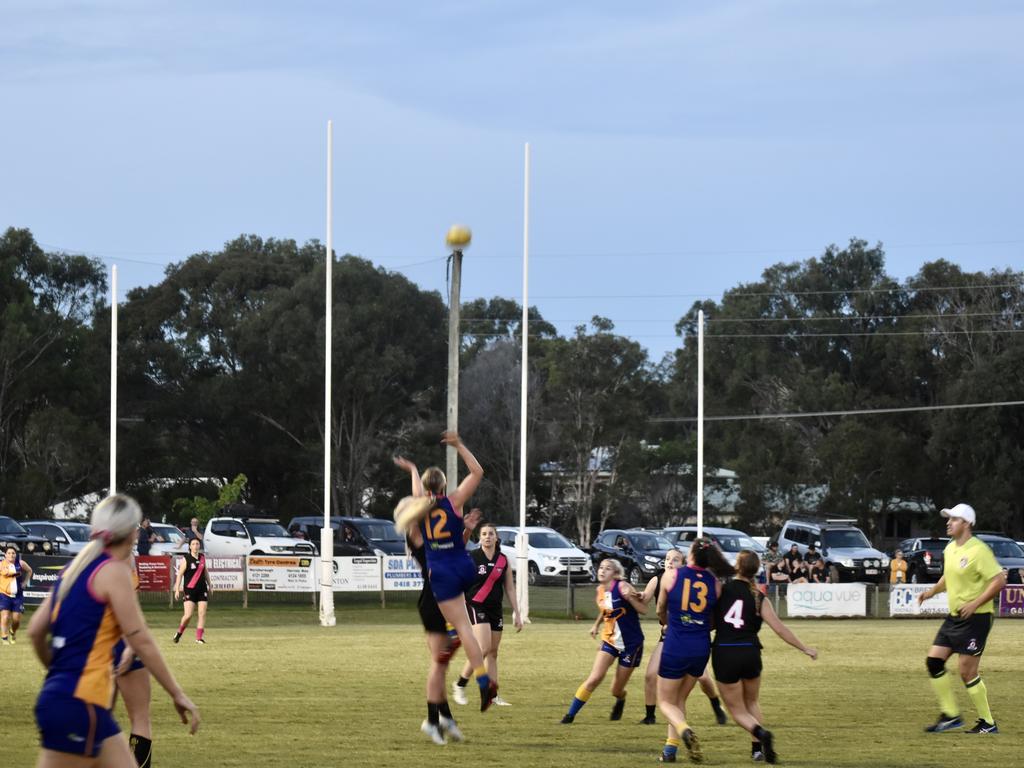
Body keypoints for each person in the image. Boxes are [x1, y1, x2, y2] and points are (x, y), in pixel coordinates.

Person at [27, 494, 199, 765]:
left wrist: (58, 673)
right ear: (133, 532)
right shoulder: (114, 571)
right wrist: (176, 693)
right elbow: (140, 638)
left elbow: (35, 632)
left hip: (65, 700)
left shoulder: (70, 571)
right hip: (81, 704)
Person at [393, 431, 498, 712]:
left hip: (441, 572)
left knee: (462, 628)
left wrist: (413, 471)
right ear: (445, 484)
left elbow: (418, 493)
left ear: (425, 490)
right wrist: (460, 445)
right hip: (464, 565)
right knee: (464, 624)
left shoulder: (419, 507)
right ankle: (482, 679)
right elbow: (477, 471)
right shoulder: (454, 501)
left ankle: (483, 681)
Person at [712, 550, 818, 764]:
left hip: (725, 652)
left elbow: (711, 621)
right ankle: (757, 750)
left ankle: (761, 734)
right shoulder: (759, 597)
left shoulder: (722, 590)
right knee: (752, 702)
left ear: (737, 567)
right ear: (756, 569)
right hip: (751, 653)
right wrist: (804, 648)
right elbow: (780, 629)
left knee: (736, 710)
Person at [393, 455, 469, 746]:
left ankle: (446, 717)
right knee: (438, 664)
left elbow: (421, 498)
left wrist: (414, 470)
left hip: (443, 597)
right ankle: (432, 720)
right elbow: (419, 500)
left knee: (443, 664)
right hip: (434, 600)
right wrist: (416, 475)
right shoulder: (417, 529)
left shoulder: (428, 526)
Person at [917, 503, 1006, 734]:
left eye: (954, 519)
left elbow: (999, 580)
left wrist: (975, 603)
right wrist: (930, 593)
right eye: (948, 519)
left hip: (977, 618)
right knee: (934, 662)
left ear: (966, 524)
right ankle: (951, 715)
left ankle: (988, 722)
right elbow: (948, 577)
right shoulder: (949, 549)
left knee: (967, 672)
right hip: (955, 617)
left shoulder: (979, 550)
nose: (948, 523)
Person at [655, 539, 733, 764]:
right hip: (700, 647)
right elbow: (714, 621)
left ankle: (685, 730)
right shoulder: (715, 583)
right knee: (679, 700)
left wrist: (666, 622)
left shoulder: (671, 576)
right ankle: (669, 752)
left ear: (691, 554)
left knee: (666, 702)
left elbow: (661, 608)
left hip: (676, 644)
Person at [639, 549, 727, 727]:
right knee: (650, 675)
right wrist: (636, 595)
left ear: (684, 564)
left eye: (675, 559)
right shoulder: (658, 579)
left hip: (690, 636)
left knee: (703, 678)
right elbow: (645, 599)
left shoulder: (686, 580)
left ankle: (716, 705)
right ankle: (650, 715)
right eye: (667, 558)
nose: (670, 562)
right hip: (670, 637)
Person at [560, 557, 647, 724]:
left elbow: (643, 609)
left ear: (615, 574)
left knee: (616, 690)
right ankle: (569, 716)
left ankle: (621, 699)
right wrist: (596, 625)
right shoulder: (600, 590)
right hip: (610, 641)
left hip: (631, 644)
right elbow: (607, 610)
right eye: (601, 567)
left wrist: (631, 598)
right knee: (594, 678)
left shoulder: (622, 587)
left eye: (607, 568)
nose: (602, 570)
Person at [453, 519, 523, 706]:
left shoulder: (503, 560)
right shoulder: (472, 557)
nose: (487, 537)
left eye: (491, 534)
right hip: (476, 605)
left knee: (493, 652)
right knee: (483, 648)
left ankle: (492, 695)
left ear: (496, 537)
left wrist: (517, 612)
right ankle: (460, 684)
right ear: (480, 538)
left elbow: (509, 588)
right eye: (484, 534)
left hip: (495, 608)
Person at [173, 537, 211, 644]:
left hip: (202, 589)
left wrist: (210, 585)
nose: (195, 546)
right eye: (193, 544)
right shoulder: (186, 559)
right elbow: (180, 574)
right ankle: (179, 633)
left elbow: (205, 572)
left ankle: (199, 638)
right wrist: (177, 589)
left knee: (202, 613)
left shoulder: (202, 557)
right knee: (188, 615)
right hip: (189, 590)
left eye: (197, 544)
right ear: (190, 546)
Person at [1, 546, 33, 644]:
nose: (11, 555)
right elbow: (6, 574)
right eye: (9, 553)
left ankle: (12, 632)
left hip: (18, 596)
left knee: (16, 620)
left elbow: (29, 571)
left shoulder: (21, 563)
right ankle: (4, 638)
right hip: (4, 595)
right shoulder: (1, 564)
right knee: (5, 616)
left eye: (13, 553)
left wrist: (25, 582)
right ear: (5, 555)